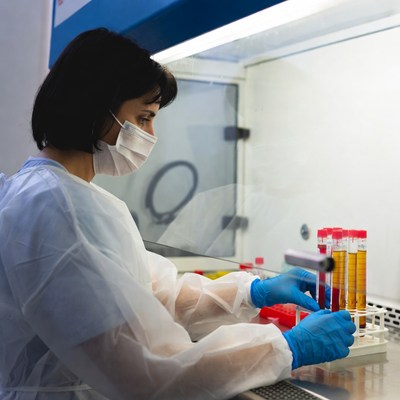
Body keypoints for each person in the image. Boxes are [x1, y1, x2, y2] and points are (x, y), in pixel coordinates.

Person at [0, 28, 355, 400]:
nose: (152, 133)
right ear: (95, 107)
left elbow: (151, 294)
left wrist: (253, 291)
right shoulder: (57, 207)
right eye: (143, 117)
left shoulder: (61, 194)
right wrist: (287, 348)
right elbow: (147, 374)